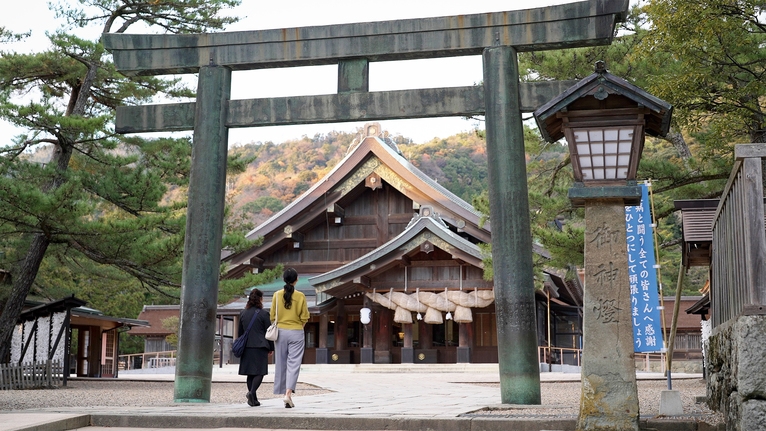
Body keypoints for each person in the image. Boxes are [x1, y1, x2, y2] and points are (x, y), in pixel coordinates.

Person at [270, 267, 310, 408]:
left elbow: (272, 316)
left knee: (281, 363)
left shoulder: (276, 295)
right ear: (296, 279)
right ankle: (288, 394)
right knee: (294, 364)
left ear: (283, 279)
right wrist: (299, 326)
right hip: (296, 331)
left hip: (280, 331)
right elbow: (305, 316)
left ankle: (282, 392)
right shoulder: (300, 296)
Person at [238, 288, 273, 407]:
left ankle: (254, 399)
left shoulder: (243, 313)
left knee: (250, 373)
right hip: (260, 346)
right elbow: (269, 332)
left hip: (247, 346)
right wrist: (271, 347)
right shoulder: (264, 314)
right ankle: (251, 393)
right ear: (260, 299)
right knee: (260, 372)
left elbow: (240, 332)